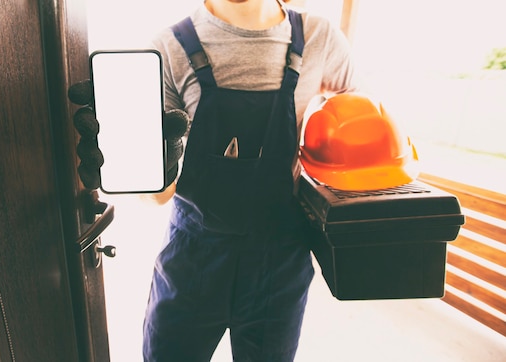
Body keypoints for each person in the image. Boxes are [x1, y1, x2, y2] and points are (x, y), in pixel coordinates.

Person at [70, 0, 360, 360]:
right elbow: (157, 197)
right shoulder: (168, 47)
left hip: (280, 264)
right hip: (192, 261)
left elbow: (355, 131)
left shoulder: (321, 38)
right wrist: (136, 165)